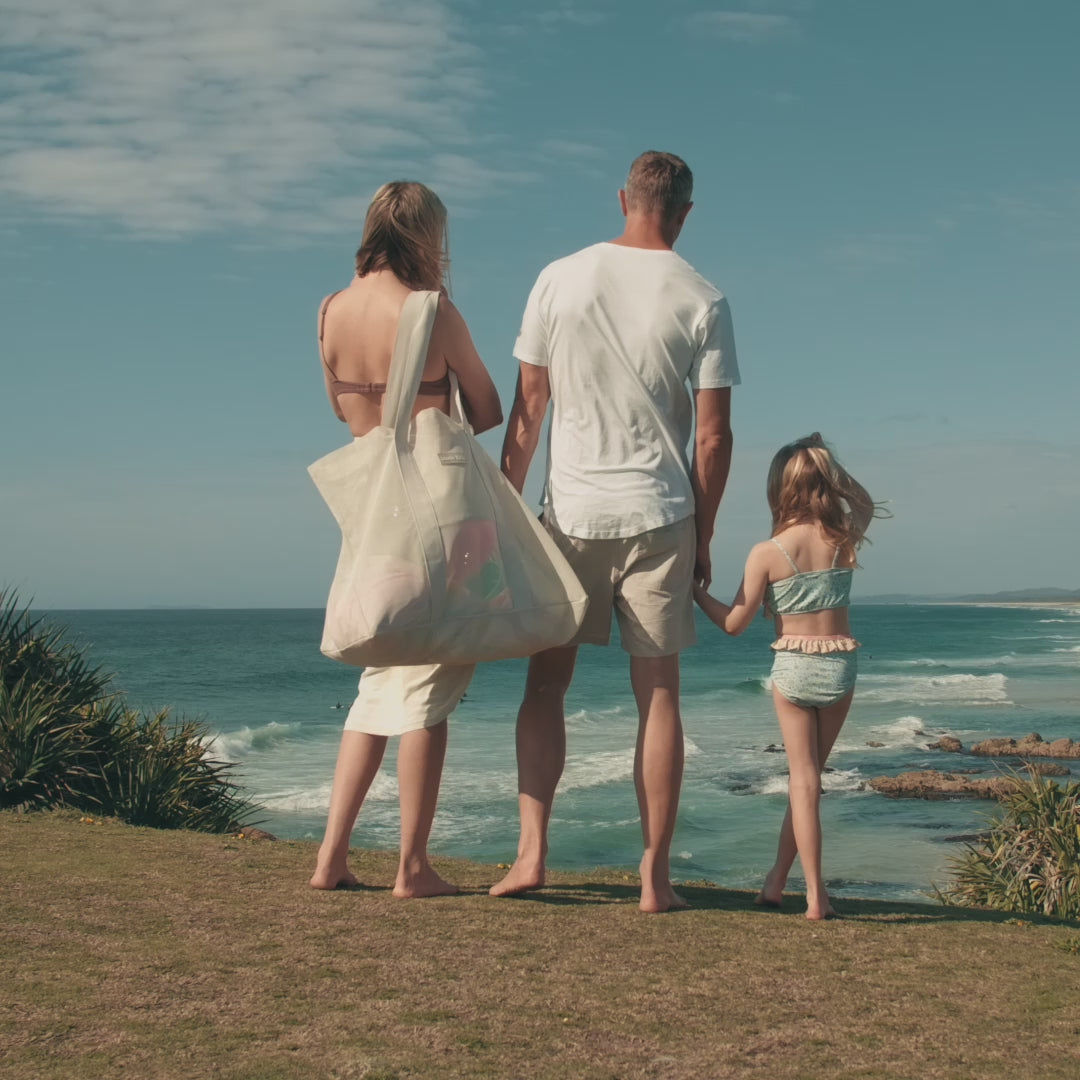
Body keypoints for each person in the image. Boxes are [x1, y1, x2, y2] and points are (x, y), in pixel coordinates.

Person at [491, 151, 740, 913]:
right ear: (686, 213)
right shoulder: (703, 295)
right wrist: (704, 533)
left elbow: (528, 407)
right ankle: (654, 878)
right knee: (658, 694)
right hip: (662, 512)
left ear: (623, 199)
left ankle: (532, 856)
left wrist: (507, 509)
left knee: (545, 686)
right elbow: (712, 437)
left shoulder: (557, 277)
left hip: (569, 512)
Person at [309, 181, 502, 897]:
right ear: (428, 238)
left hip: (371, 515)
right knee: (432, 684)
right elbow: (486, 408)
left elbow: (340, 410)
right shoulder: (431, 310)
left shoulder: (329, 312)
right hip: (445, 515)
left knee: (379, 682)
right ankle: (412, 867)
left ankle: (332, 856)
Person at [693, 433, 886, 920]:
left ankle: (816, 896)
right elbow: (863, 498)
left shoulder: (768, 552)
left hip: (795, 666)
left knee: (801, 784)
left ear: (778, 488)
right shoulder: (843, 536)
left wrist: (696, 594)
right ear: (824, 482)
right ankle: (777, 881)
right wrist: (823, 460)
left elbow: (735, 624)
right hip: (841, 663)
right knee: (810, 782)